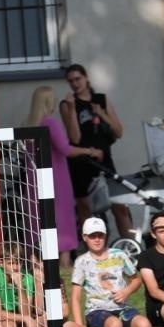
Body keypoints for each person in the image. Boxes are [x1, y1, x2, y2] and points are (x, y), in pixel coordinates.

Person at [69, 217, 159, 327]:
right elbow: (75, 296)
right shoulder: (82, 261)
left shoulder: (119, 255)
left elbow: (136, 279)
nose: (97, 239)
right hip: (97, 311)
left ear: (106, 236)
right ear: (85, 237)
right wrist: (80, 325)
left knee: (144, 324)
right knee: (114, 325)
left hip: (121, 307)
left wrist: (126, 292)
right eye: (92, 235)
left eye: (100, 235)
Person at [60, 64, 131, 240]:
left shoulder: (101, 99)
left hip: (104, 159)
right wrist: (71, 110)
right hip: (81, 161)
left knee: (119, 205)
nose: (75, 84)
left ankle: (133, 247)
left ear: (86, 78)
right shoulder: (67, 104)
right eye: (71, 81)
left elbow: (119, 131)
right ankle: (93, 251)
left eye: (78, 79)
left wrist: (102, 113)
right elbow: (74, 138)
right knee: (85, 208)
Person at [26, 86, 82, 263]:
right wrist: (89, 151)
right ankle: (64, 266)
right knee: (62, 221)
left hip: (33, 180)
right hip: (56, 178)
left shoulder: (26, 124)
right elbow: (65, 149)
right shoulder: (50, 123)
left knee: (37, 220)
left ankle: (37, 265)